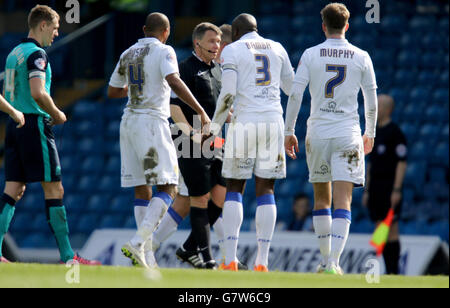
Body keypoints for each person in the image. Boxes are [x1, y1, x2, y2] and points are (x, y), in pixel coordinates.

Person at [107, 12, 210, 269]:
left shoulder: (128, 53)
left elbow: (112, 91)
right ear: (166, 32)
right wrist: (200, 110)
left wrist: (136, 88)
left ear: (144, 29)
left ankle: (145, 255)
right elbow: (173, 80)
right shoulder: (165, 51)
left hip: (128, 121)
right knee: (169, 187)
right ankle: (139, 242)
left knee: (142, 188)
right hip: (152, 122)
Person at [0, 5, 100, 265]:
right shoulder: (36, 54)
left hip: (14, 125)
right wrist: (57, 113)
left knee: (13, 189)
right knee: (54, 188)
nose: (56, 33)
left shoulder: (14, 53)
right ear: (42, 25)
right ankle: (69, 256)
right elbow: (37, 92)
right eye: (55, 28)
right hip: (34, 125)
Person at [284, 3, 378, 275]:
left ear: (323, 26)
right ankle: (334, 262)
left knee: (321, 200)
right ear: (347, 26)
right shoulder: (361, 56)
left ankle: (325, 260)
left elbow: (295, 95)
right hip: (348, 133)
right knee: (343, 201)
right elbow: (370, 100)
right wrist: (369, 132)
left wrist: (289, 130)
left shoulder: (310, 54)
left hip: (318, 133)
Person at [150, 23, 249, 270]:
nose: (217, 46)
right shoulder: (184, 68)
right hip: (189, 140)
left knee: (222, 194)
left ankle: (188, 248)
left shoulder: (218, 70)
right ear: (198, 43)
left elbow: (217, 105)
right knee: (199, 198)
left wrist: (229, 115)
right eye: (212, 42)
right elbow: (173, 108)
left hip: (214, 140)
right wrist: (192, 135)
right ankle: (207, 259)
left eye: (218, 41)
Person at [209, 13, 295, 272]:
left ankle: (231, 259)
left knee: (235, 187)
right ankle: (262, 262)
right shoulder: (278, 48)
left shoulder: (232, 50)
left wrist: (214, 128)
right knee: (266, 189)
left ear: (234, 32)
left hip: (245, 120)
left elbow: (228, 94)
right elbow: (292, 88)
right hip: (273, 120)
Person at [363, 94, 407, 275]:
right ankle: (383, 268)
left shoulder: (395, 132)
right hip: (375, 188)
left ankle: (392, 271)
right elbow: (371, 164)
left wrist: (397, 189)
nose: (375, 109)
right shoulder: (374, 132)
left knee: (391, 227)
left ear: (388, 109)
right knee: (380, 226)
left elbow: (402, 162)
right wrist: (366, 189)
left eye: (379, 106)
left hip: (389, 187)